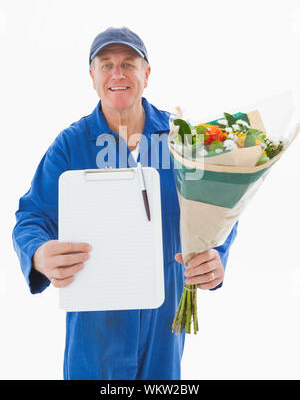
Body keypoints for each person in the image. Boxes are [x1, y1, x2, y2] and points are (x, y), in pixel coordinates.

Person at [12, 26, 238, 380]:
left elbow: (220, 206)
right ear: (92, 76)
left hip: (164, 323)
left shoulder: (181, 139)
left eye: (128, 63)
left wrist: (217, 256)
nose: (117, 73)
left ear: (147, 74)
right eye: (106, 65)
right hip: (95, 327)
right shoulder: (71, 145)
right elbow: (32, 216)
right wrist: (39, 254)